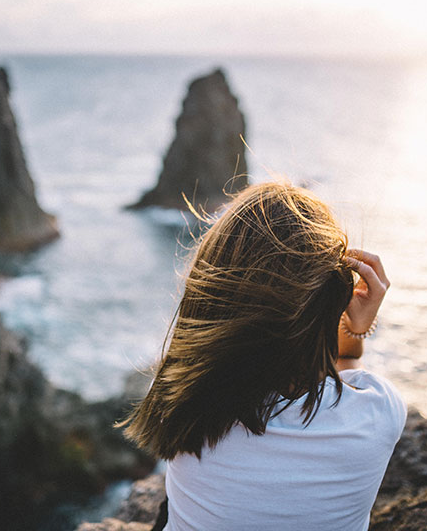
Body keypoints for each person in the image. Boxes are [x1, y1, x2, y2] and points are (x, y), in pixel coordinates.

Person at [121, 182, 406, 531]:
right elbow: (344, 371)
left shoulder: (181, 402)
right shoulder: (379, 413)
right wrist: (355, 328)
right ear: (332, 299)